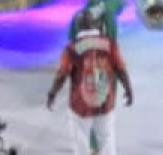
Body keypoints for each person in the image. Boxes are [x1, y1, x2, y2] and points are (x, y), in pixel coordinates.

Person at [46, 21, 133, 155]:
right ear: (97, 26)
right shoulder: (110, 44)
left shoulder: (72, 48)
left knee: (80, 139)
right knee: (107, 138)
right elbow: (120, 69)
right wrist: (128, 89)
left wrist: (52, 93)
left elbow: (62, 74)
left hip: (80, 104)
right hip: (105, 102)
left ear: (78, 29)